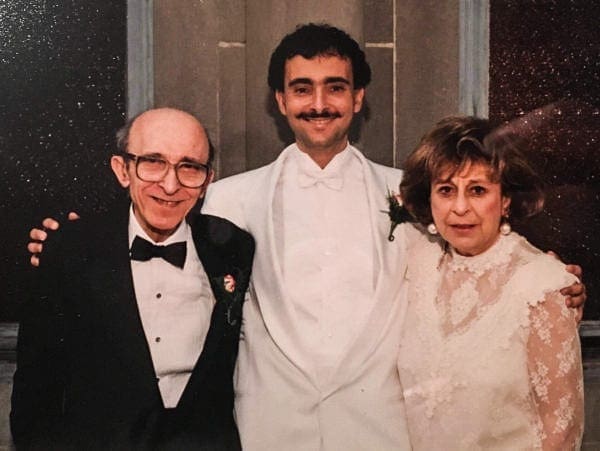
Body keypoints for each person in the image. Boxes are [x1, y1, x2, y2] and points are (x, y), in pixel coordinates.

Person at [26, 24, 585, 451]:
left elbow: (479, 251)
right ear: (280, 100)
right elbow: (154, 213)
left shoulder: (415, 197)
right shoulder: (227, 199)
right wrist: (71, 238)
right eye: (302, 88)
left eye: (335, 87)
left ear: (358, 98)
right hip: (268, 428)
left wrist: (550, 283)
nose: (319, 103)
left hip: (379, 430)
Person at [11, 108, 254, 450]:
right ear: (122, 170)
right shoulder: (70, 250)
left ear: (206, 181)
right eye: (153, 162)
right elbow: (36, 393)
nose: (170, 185)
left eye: (189, 167)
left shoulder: (233, 247)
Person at [396, 116, 584, 449]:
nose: (460, 208)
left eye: (478, 190)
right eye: (446, 190)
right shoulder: (417, 262)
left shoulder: (543, 285)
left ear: (507, 199)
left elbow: (561, 431)